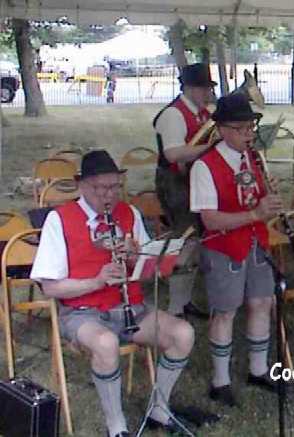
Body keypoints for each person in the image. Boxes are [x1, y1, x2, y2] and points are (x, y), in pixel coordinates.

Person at [30, 150, 195, 437]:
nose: (109, 196)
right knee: (106, 343)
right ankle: (117, 427)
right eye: (100, 188)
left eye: (114, 187)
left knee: (183, 333)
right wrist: (96, 281)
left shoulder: (128, 213)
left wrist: (136, 256)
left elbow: (148, 270)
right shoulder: (60, 219)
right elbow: (50, 286)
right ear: (81, 185)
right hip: (82, 312)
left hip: (132, 308)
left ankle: (159, 409)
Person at [189, 93, 283, 406]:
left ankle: (258, 369)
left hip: (256, 242)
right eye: (242, 129)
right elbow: (209, 219)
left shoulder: (252, 158)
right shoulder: (204, 166)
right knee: (225, 311)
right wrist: (255, 214)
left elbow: (256, 201)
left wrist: (268, 199)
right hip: (224, 246)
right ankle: (220, 380)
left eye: (251, 127)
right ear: (223, 130)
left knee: (261, 302)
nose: (249, 134)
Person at [153, 62, 216, 320]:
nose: (207, 93)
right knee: (186, 239)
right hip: (174, 182)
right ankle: (175, 308)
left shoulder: (200, 113)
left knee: (195, 240)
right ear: (189, 88)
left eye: (208, 88)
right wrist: (210, 147)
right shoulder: (173, 115)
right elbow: (173, 153)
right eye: (203, 88)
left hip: (190, 179)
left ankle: (183, 301)